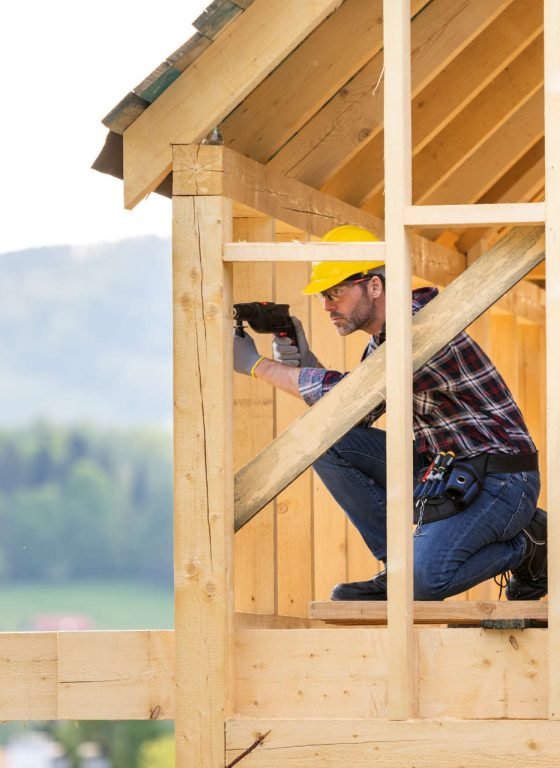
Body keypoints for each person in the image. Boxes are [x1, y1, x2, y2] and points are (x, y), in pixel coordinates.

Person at [233, 225, 546, 602]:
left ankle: (530, 546)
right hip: (447, 470)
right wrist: (305, 362)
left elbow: (350, 397)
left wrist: (259, 366)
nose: (327, 306)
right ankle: (394, 567)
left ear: (374, 286)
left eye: (335, 292)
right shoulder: (383, 342)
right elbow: (355, 415)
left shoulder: (421, 328)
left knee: (423, 584)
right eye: (323, 296)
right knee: (324, 442)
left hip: (503, 480)